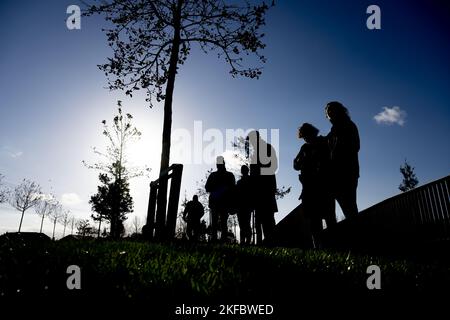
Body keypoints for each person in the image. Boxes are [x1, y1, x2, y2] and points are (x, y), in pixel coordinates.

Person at [294, 123, 336, 248]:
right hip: (309, 187)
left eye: (306, 135)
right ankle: (318, 246)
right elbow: (295, 164)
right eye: (303, 137)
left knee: (329, 217)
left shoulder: (323, 142)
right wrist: (301, 163)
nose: (306, 139)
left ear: (313, 132)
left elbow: (329, 160)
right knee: (314, 219)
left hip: (324, 185)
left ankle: (334, 246)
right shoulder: (304, 148)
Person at [325, 101, 360, 219]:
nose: (329, 113)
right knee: (347, 208)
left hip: (347, 172)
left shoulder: (348, 125)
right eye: (327, 111)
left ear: (339, 111)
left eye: (332, 109)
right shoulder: (332, 132)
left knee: (350, 207)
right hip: (335, 175)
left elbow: (355, 146)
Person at [247, 131, 278, 246]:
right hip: (258, 190)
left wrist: (257, 174)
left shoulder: (267, 148)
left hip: (266, 189)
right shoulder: (255, 153)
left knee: (268, 218)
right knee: (259, 219)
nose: (251, 143)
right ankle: (261, 244)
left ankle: (272, 243)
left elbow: (272, 167)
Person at [205, 156, 236, 242]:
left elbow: (233, 189)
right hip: (218, 202)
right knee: (218, 222)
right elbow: (207, 187)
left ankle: (220, 239)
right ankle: (217, 239)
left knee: (222, 222)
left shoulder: (227, 175)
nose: (218, 165)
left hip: (223, 202)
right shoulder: (228, 175)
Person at [235, 165, 254, 245]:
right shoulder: (239, 182)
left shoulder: (250, 181)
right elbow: (236, 194)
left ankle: (247, 240)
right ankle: (244, 240)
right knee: (242, 223)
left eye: (244, 170)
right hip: (241, 205)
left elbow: (253, 193)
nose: (243, 171)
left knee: (246, 223)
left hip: (246, 205)